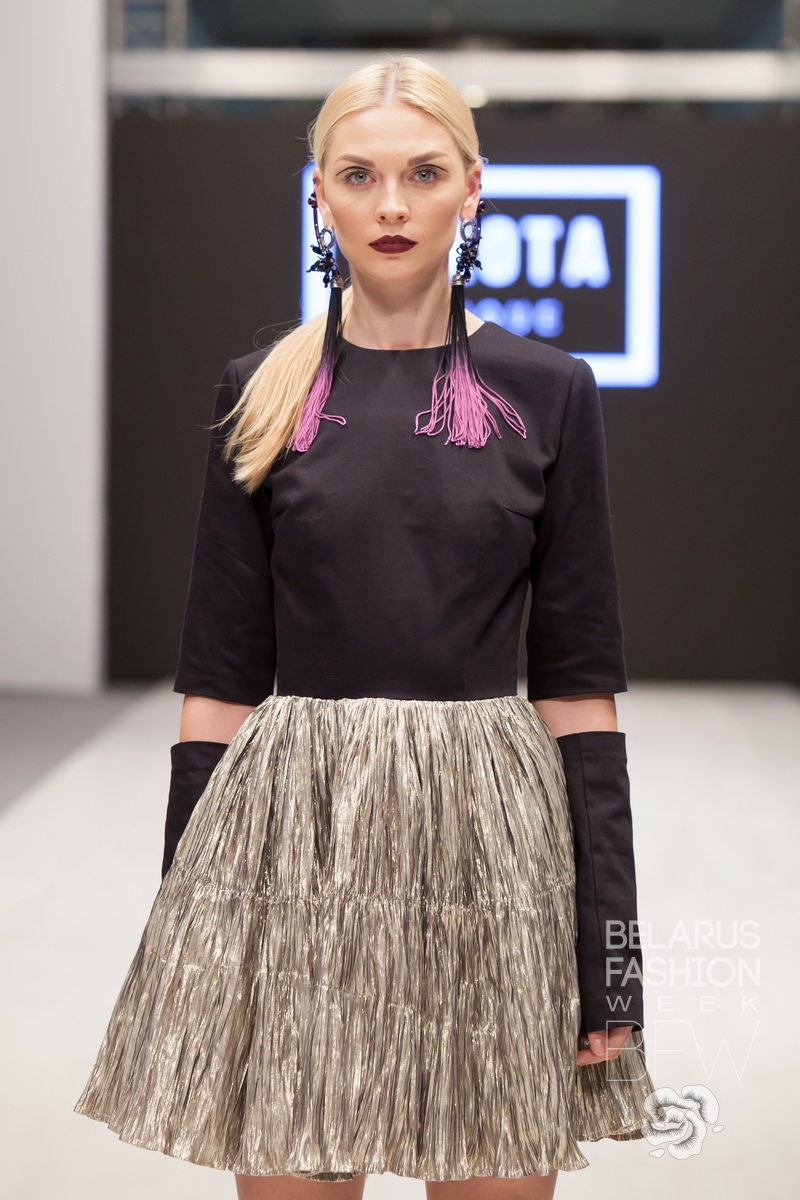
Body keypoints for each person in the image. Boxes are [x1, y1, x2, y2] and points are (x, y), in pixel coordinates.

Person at [75, 54, 659, 1200]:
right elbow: (218, 683)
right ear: (320, 196)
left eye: (423, 173)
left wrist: (613, 955)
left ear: (472, 188)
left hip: (490, 851)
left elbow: (578, 687)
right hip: (296, 843)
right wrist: (188, 924)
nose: (391, 205)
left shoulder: (548, 391)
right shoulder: (262, 393)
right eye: (358, 175)